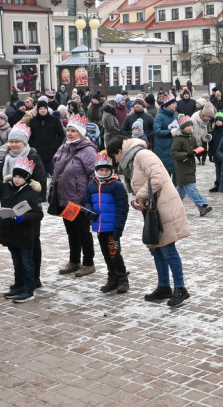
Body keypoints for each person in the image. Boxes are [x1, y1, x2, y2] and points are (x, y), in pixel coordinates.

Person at [106, 134, 191, 307]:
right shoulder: (133, 159)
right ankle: (164, 286)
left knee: (167, 248)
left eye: (115, 157)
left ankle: (181, 288)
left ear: (120, 151)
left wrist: (140, 196)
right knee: (156, 248)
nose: (116, 162)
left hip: (164, 206)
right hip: (153, 209)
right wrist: (138, 201)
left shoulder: (142, 155)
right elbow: (141, 186)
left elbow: (157, 178)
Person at [0, 156, 43, 303]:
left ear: (27, 179)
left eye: (20, 177)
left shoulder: (31, 193)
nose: (17, 179)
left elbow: (38, 214)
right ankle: (18, 284)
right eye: (15, 176)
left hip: (24, 234)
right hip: (9, 232)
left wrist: (24, 218)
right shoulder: (6, 188)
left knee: (26, 261)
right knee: (16, 260)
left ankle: (29, 288)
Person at [52, 114, 98, 277]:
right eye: (68, 130)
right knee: (71, 231)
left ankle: (88, 263)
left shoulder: (88, 150)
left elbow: (94, 175)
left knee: (83, 232)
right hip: (65, 198)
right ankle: (74, 260)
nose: (69, 133)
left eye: (74, 131)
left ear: (81, 133)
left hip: (79, 200)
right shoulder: (64, 147)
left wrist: (88, 198)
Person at [83, 151, 130, 294]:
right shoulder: (91, 185)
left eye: (107, 170)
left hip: (112, 227)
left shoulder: (116, 185)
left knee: (114, 253)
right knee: (105, 253)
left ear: (111, 170)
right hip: (99, 226)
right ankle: (112, 278)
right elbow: (86, 202)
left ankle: (122, 279)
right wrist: (89, 211)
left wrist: (119, 227)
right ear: (96, 170)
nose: (104, 172)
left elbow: (123, 207)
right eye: (101, 170)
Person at [171, 116, 212, 216]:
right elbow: (173, 153)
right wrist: (186, 155)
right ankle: (202, 204)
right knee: (191, 187)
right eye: (187, 126)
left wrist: (199, 150)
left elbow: (194, 149)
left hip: (190, 166)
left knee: (181, 189)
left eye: (191, 125)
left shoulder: (192, 137)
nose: (190, 127)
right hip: (182, 167)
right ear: (182, 127)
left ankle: (172, 207)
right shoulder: (178, 139)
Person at [28, 98, 66, 175]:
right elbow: (30, 135)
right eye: (41, 108)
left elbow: (61, 134)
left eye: (44, 108)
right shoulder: (33, 121)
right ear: (38, 110)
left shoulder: (54, 120)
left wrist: (55, 146)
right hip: (38, 153)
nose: (43, 110)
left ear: (47, 109)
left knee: (54, 175)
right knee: (40, 175)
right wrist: (33, 146)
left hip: (52, 153)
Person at [152, 94, 179, 177]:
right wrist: (170, 132)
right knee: (165, 175)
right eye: (174, 103)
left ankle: (175, 190)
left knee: (176, 175)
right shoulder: (159, 116)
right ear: (168, 105)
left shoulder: (175, 114)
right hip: (163, 148)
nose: (176, 105)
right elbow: (156, 131)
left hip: (174, 146)